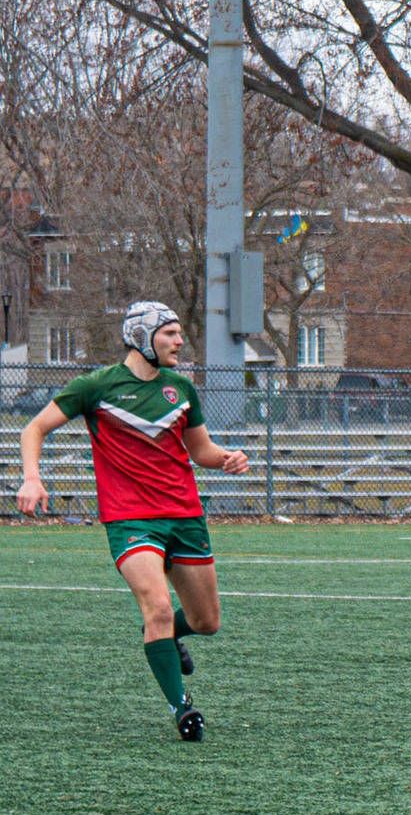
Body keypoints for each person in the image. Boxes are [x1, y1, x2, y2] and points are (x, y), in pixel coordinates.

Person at [16, 301, 250, 742]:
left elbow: (201, 451)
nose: (180, 341)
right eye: (170, 333)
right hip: (130, 519)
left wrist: (227, 459)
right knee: (159, 607)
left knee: (207, 622)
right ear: (142, 338)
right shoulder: (96, 386)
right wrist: (32, 478)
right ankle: (183, 708)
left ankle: (158, 634)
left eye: (180, 333)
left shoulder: (180, 389)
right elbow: (34, 429)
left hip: (184, 515)